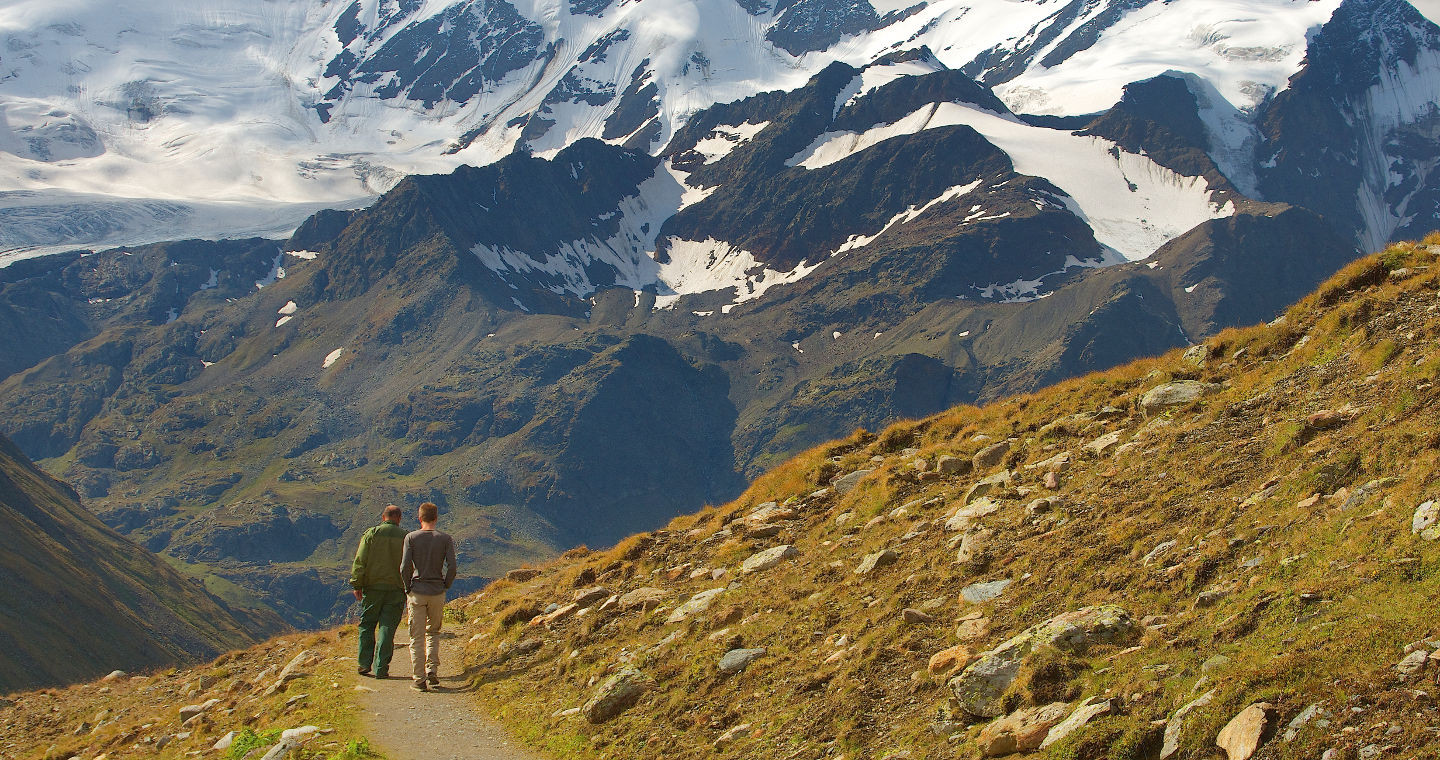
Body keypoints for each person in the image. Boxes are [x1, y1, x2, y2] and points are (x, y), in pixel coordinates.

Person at [401, 501, 457, 692]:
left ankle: (419, 679)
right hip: (437, 591)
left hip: (417, 591)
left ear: (420, 518)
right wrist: (445, 584)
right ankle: (432, 669)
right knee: (433, 632)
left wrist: (407, 587)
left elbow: (404, 567)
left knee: (416, 637)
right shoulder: (445, 539)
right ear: (436, 518)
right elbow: (452, 566)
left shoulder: (411, 538)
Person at [350, 504, 407, 679]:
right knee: (387, 627)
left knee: (367, 624)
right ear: (399, 518)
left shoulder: (371, 534)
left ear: (383, 517)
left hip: (372, 588)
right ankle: (381, 667)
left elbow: (360, 560)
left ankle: (363, 663)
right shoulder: (406, 537)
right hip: (396, 589)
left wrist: (357, 584)